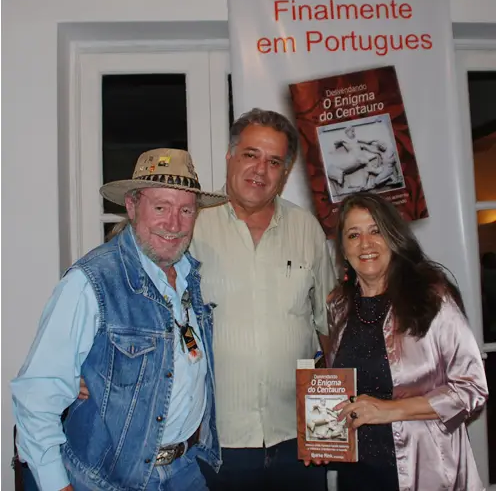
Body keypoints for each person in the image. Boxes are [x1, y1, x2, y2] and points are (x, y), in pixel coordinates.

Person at [11, 149, 227, 491]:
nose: (174, 224)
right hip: (105, 481)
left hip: (184, 470)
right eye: (161, 208)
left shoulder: (189, 276)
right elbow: (36, 395)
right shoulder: (91, 282)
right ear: (132, 206)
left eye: (186, 210)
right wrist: (56, 484)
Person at [191, 108, 335, 490]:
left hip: (298, 438)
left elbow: (329, 328)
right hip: (216, 441)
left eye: (274, 162)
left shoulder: (306, 229)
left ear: (285, 172)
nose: (260, 170)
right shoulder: (190, 225)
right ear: (230, 156)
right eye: (251, 155)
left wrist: (327, 427)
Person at [319, 191, 488, 491]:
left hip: (425, 470)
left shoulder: (432, 299)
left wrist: (390, 409)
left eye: (376, 231)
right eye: (354, 235)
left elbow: (472, 388)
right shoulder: (338, 306)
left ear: (393, 237)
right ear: (343, 248)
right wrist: (324, 438)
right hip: (358, 475)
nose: (365, 244)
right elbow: (341, 390)